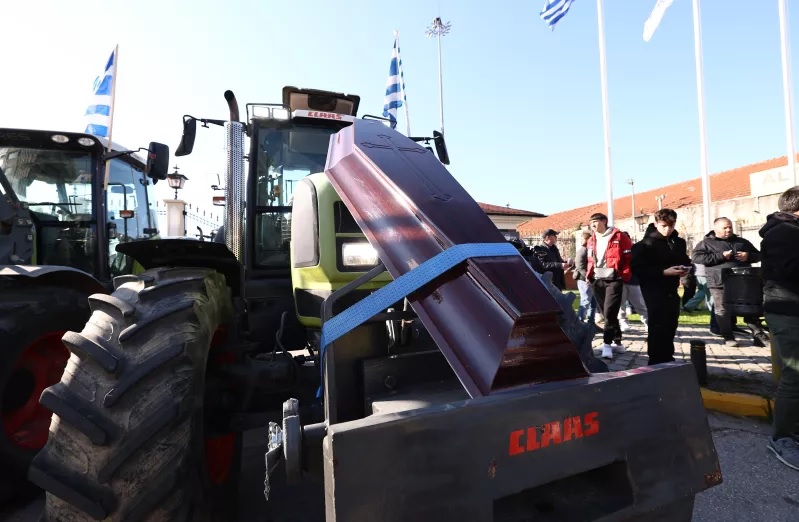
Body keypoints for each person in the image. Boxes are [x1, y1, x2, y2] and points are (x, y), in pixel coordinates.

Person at [759, 186, 799, 471]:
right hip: (787, 311)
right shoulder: (782, 233)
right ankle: (781, 437)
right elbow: (791, 270)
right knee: (795, 373)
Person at [630, 208, 691, 365]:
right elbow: (638, 269)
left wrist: (685, 268)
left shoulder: (678, 242)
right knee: (657, 324)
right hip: (653, 288)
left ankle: (668, 357)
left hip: (672, 288)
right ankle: (656, 360)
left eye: (671, 226)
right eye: (664, 226)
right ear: (656, 223)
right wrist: (663, 272)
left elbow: (685, 260)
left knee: (671, 322)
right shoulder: (643, 245)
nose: (667, 229)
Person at [691, 217, 763, 347]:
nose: (728, 230)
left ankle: (758, 335)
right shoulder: (706, 243)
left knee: (751, 308)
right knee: (722, 310)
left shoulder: (741, 241)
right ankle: (728, 336)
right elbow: (697, 258)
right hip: (718, 282)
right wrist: (721, 256)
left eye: (730, 227)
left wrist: (748, 256)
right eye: (725, 228)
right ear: (716, 229)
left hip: (743, 282)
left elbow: (759, 255)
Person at [586, 213, 633, 359]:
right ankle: (618, 343)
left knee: (610, 311)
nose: (593, 225)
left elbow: (629, 258)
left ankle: (607, 344)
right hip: (597, 280)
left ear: (604, 221)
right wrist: (589, 275)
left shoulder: (619, 236)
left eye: (595, 221)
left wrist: (623, 275)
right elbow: (590, 260)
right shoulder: (591, 240)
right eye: (591, 222)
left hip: (614, 279)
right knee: (607, 314)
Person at [573, 231, 596, 324]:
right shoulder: (582, 251)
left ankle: (591, 321)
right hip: (584, 280)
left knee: (593, 302)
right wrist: (587, 276)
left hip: (592, 279)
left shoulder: (591, 250)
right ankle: (580, 321)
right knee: (585, 301)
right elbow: (580, 266)